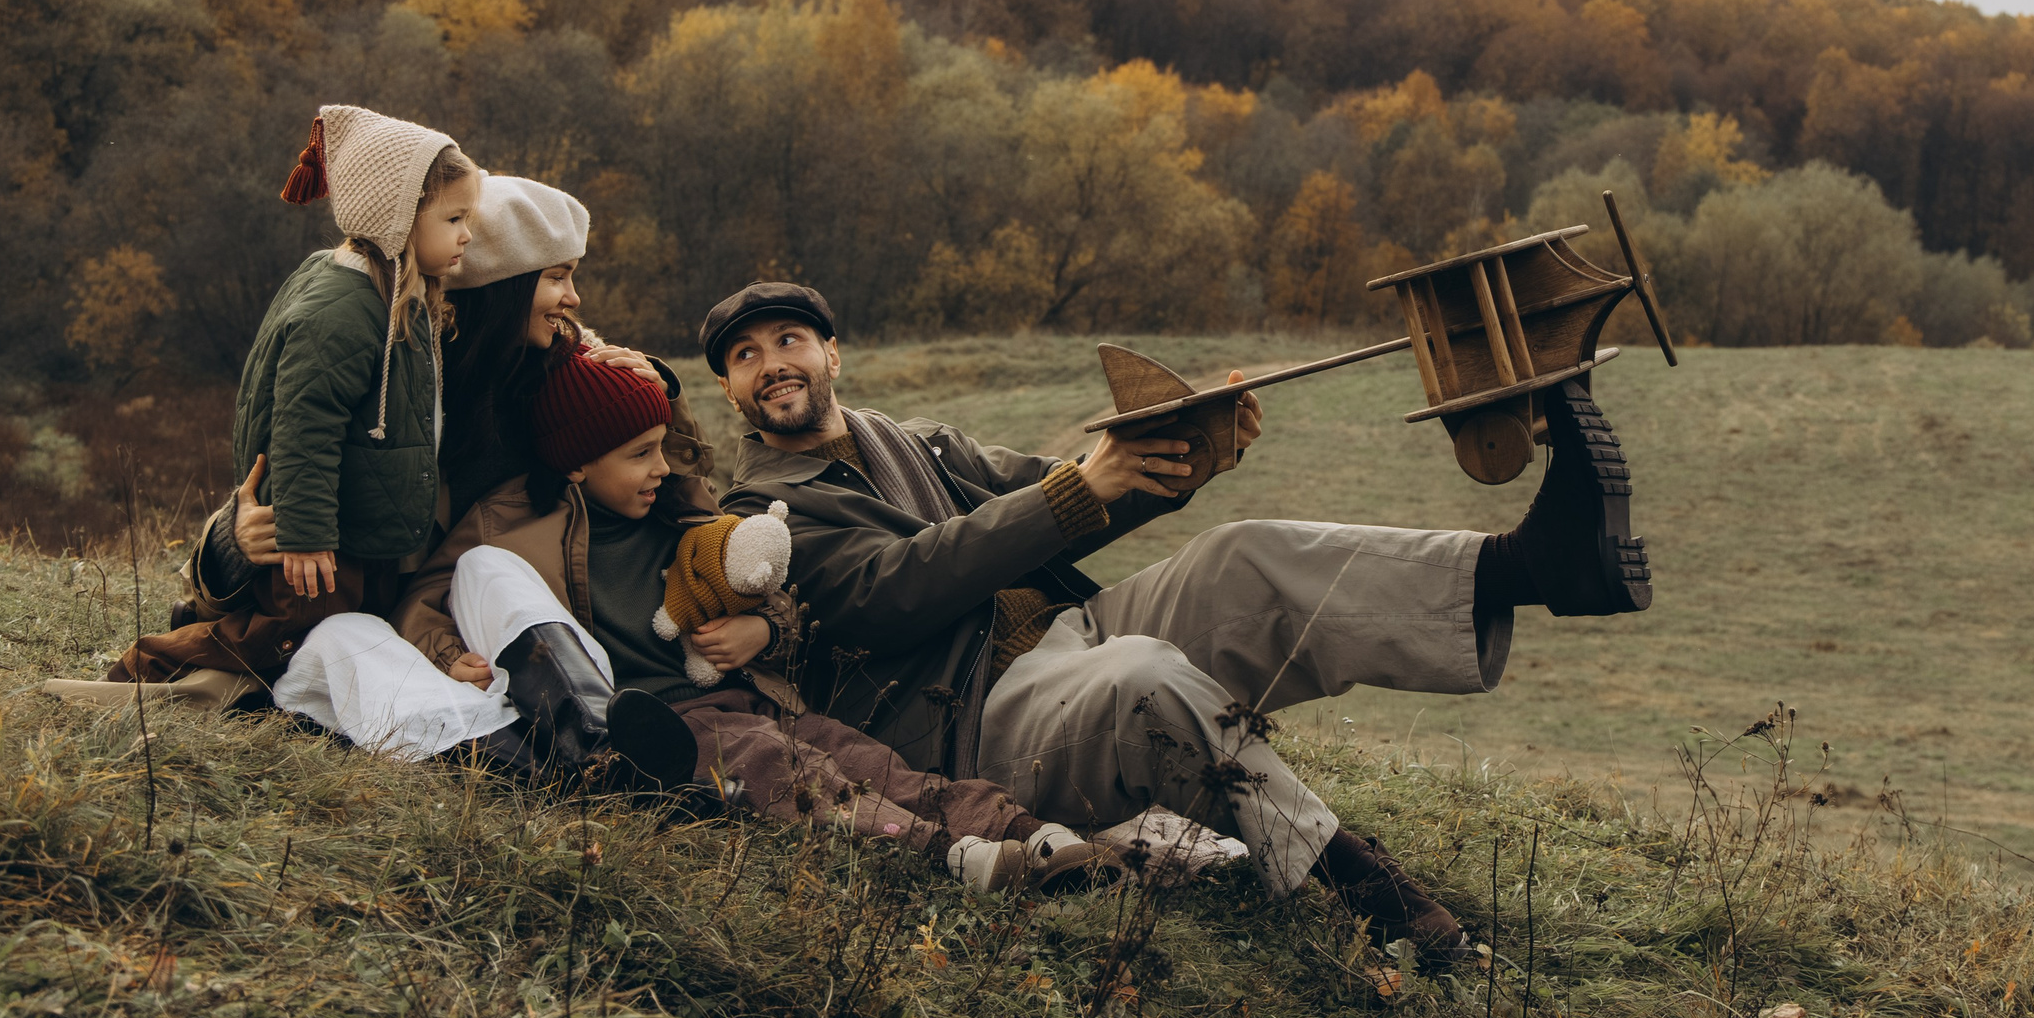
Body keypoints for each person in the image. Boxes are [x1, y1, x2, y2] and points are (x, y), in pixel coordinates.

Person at [705, 281, 1655, 965]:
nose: (769, 365)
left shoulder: (917, 445)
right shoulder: (764, 511)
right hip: (976, 716)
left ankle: (1534, 565)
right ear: (729, 392)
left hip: (1060, 630)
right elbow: (898, 587)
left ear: (832, 354)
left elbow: (1064, 491)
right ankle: (1366, 890)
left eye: (787, 340)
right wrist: (1079, 485)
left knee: (1244, 555)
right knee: (1143, 676)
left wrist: (1185, 457)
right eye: (744, 357)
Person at [366, 343, 1098, 891]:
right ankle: (943, 856)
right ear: (578, 464)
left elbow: (770, 594)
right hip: (658, 719)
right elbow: (423, 599)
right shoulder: (508, 524)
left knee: (871, 760)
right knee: (782, 769)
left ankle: (1027, 835)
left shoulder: (679, 507)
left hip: (754, 692)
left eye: (661, 448)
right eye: (638, 454)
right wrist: (443, 653)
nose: (660, 465)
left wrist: (767, 630)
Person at [107, 106, 479, 686]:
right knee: (280, 635)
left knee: (335, 633)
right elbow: (303, 427)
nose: (467, 235)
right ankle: (148, 666)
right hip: (317, 540)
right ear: (398, 219)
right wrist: (306, 537)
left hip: (356, 528)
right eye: (454, 217)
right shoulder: (342, 309)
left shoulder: (393, 294)